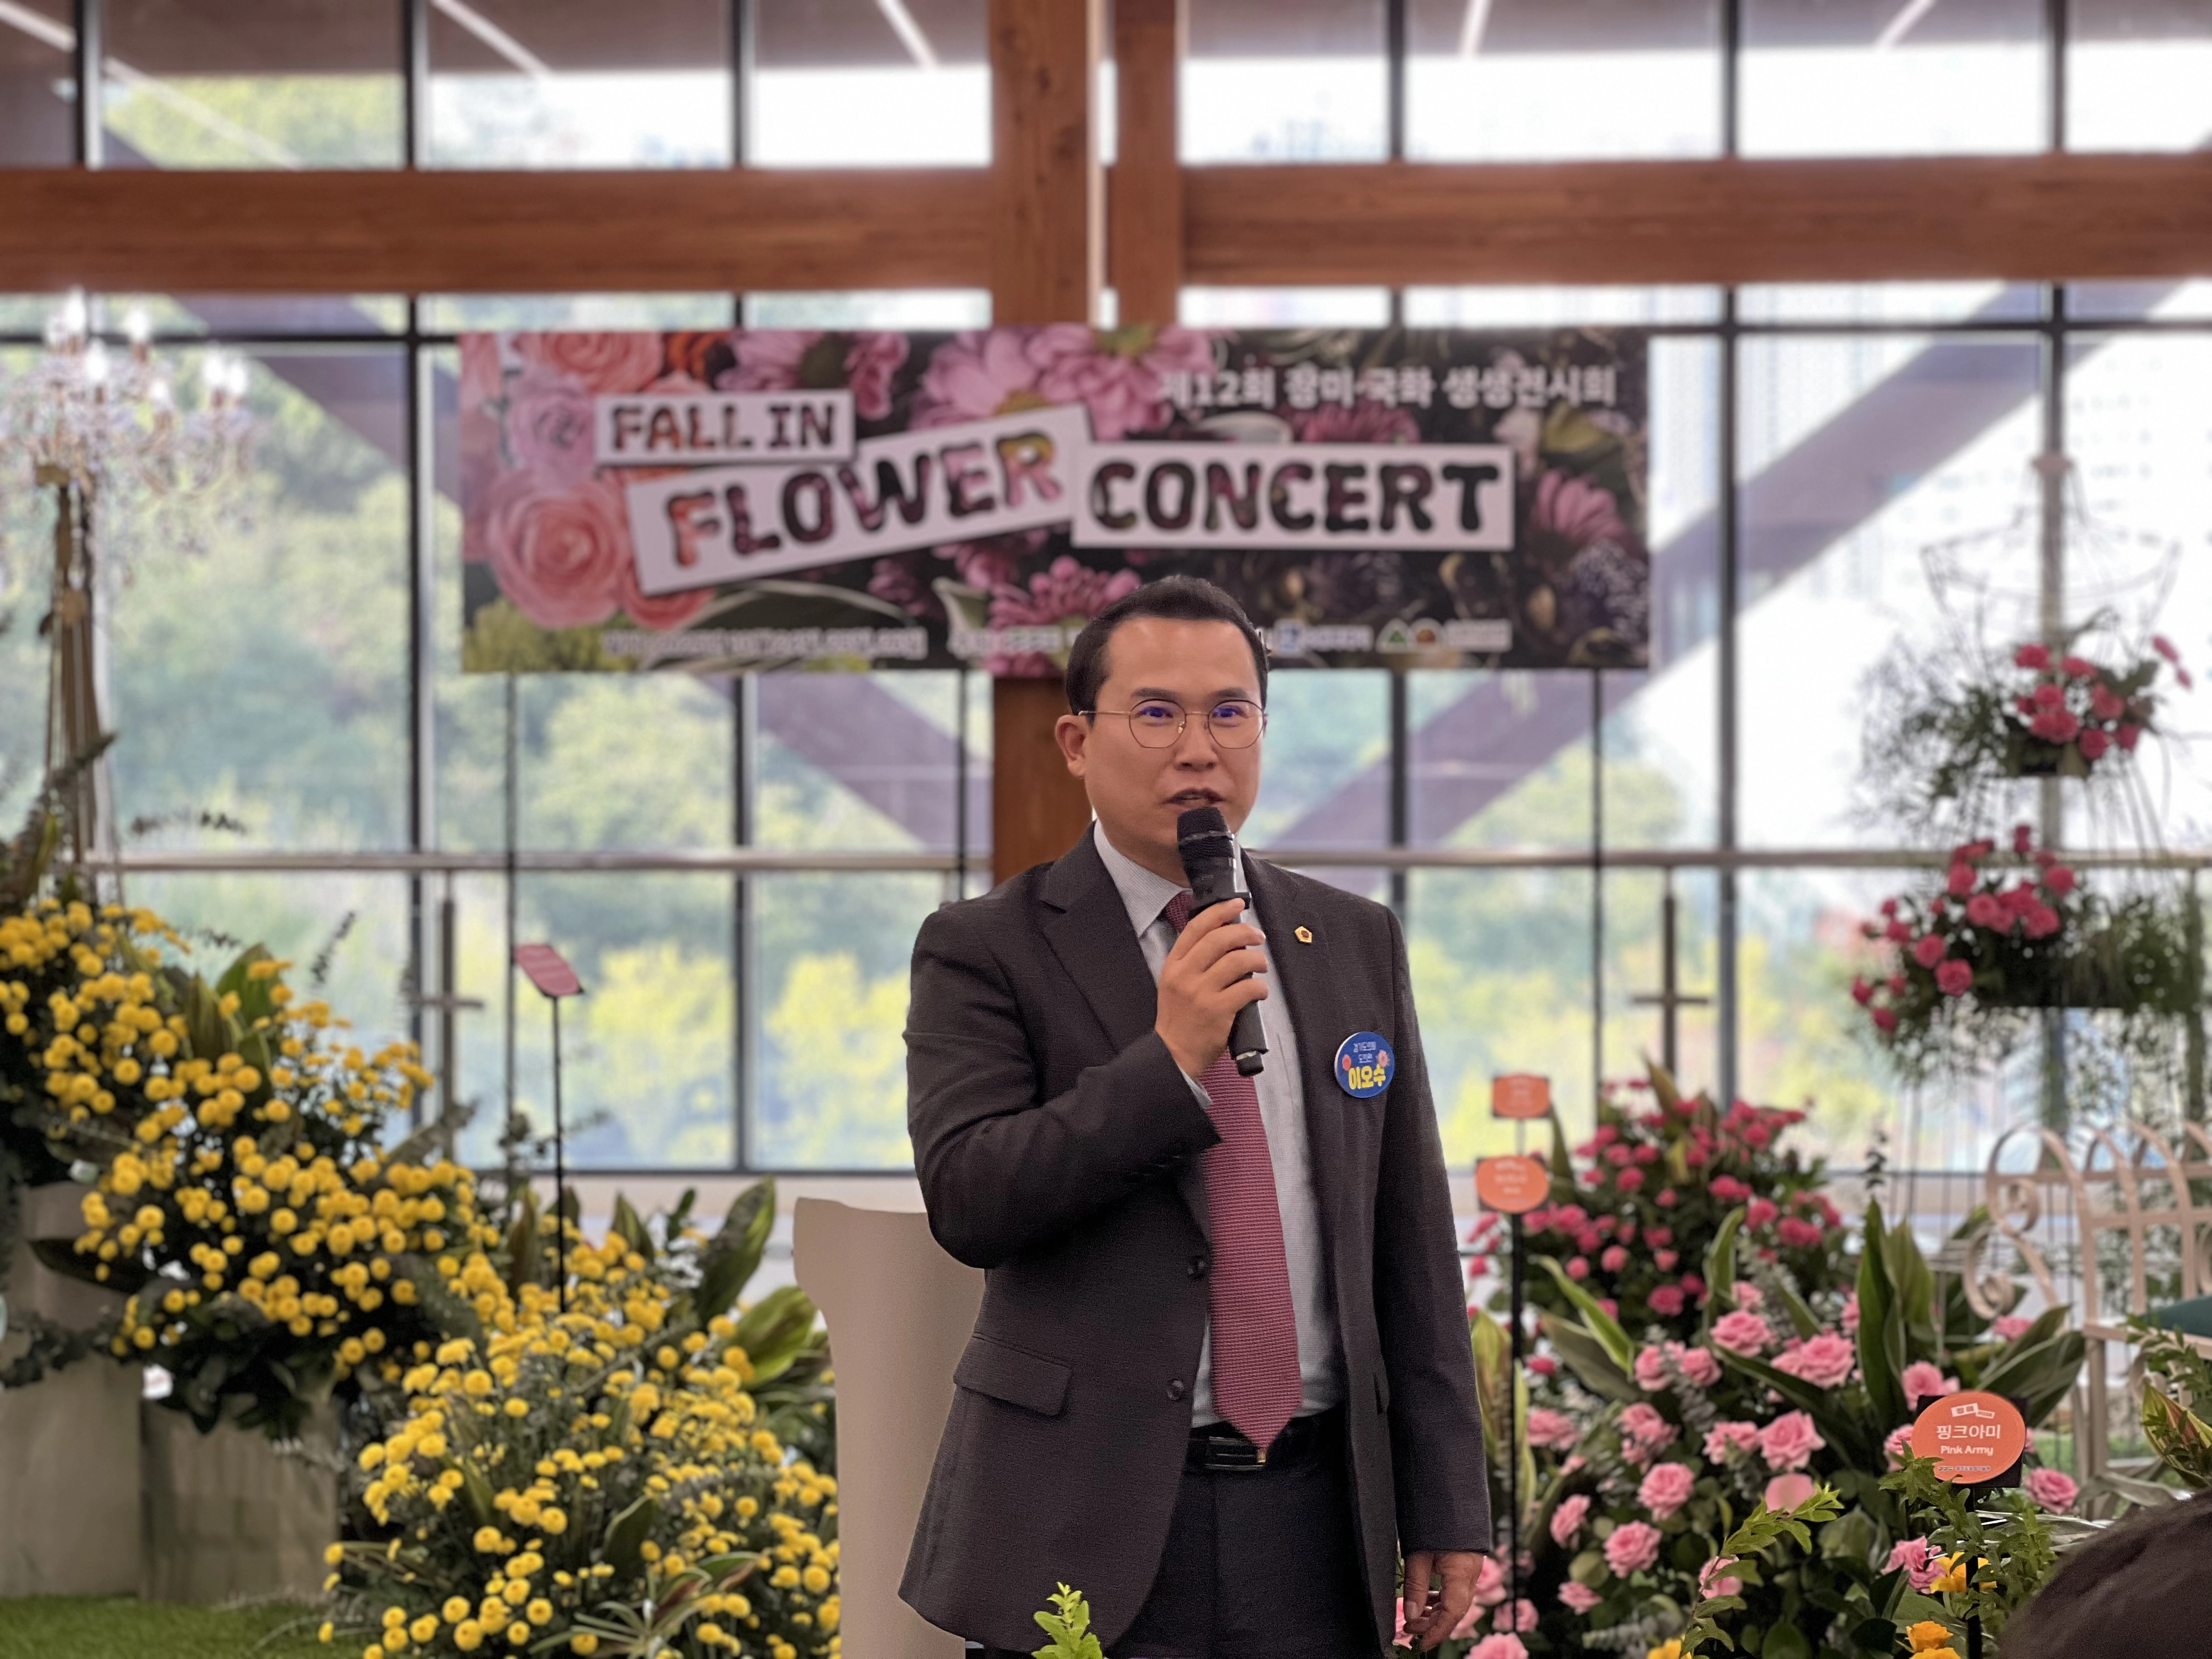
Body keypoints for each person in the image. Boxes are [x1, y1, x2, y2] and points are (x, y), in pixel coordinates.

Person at [900, 576, 1490, 1659]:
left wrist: (1449, 1500)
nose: (1197, 747)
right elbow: (971, 1197)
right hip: (1087, 1518)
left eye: (1229, 712)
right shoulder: (985, 947)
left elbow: (1406, 1235)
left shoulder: (1350, 938)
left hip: (1316, 1515)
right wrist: (1167, 1062)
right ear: (1075, 740)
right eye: (1156, 713)